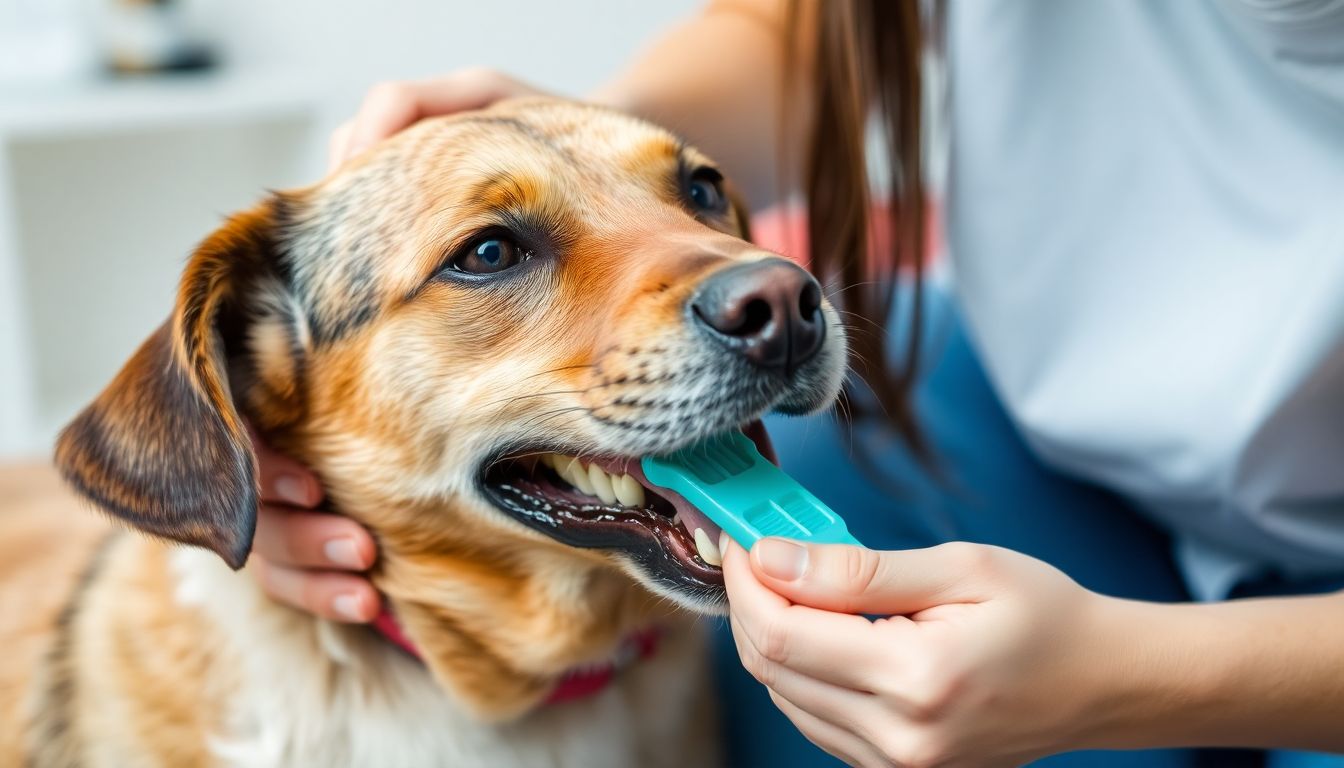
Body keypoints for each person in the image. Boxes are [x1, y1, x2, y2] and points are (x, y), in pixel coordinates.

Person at [244, 1, 1344, 765]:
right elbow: (813, 24)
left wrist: (1136, 679)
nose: (760, 287)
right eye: (488, 254)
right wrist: (581, 139)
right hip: (1046, 409)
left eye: (701, 200)